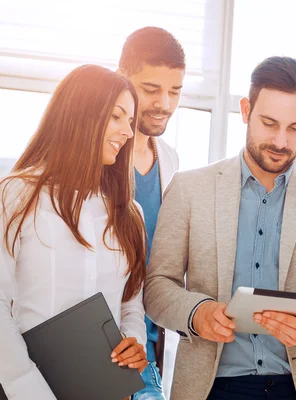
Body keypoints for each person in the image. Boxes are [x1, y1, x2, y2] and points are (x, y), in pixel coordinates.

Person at [144, 56, 296, 400]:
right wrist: (197, 313)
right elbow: (157, 287)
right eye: (269, 123)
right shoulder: (190, 189)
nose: (281, 141)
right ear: (246, 110)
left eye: (295, 128)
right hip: (210, 388)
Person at [0, 65, 148, 400]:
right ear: (81, 115)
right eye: (117, 116)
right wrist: (27, 387)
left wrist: (133, 341)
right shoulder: (15, 196)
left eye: (130, 121)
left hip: (108, 391)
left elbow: (130, 305)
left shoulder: (129, 214)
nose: (128, 132)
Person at [118, 26, 184, 399]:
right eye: (151, 89)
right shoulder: (101, 155)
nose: (164, 103)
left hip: (149, 350)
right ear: (122, 80)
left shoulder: (170, 161)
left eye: (174, 91)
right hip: (100, 342)